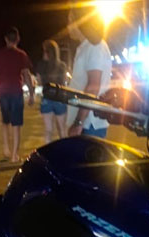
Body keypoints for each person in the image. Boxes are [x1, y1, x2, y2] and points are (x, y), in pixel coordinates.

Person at [66, 6, 112, 138]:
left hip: (90, 123)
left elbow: (93, 87)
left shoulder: (95, 47)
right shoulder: (85, 47)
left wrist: (78, 122)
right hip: (85, 123)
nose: (68, 26)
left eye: (70, 21)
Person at [0, 27, 35, 162]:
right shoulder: (22, 55)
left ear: (5, 39)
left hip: (3, 92)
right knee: (16, 124)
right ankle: (14, 155)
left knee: (5, 121)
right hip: (16, 91)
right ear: (18, 39)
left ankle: (6, 148)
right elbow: (26, 75)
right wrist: (31, 93)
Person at [36, 39, 68, 143]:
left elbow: (39, 82)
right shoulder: (62, 65)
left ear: (46, 51)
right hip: (60, 98)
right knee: (62, 129)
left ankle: (48, 150)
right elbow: (64, 82)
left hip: (47, 98)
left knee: (48, 129)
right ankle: (65, 150)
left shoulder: (41, 65)